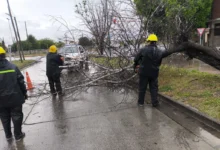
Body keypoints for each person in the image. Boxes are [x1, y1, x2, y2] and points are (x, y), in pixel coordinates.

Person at [0, 46, 27, 141]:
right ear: (4, 55)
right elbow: (21, 82)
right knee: (17, 115)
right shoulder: (13, 67)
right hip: (15, 97)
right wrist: (24, 93)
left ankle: (8, 135)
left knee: (4, 117)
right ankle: (18, 135)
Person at [134, 34, 163, 107]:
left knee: (142, 88)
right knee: (154, 88)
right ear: (155, 42)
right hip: (154, 73)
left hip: (144, 72)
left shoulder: (143, 49)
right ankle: (155, 103)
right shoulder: (159, 51)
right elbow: (159, 62)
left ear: (149, 41)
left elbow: (136, 59)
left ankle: (140, 103)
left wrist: (138, 64)